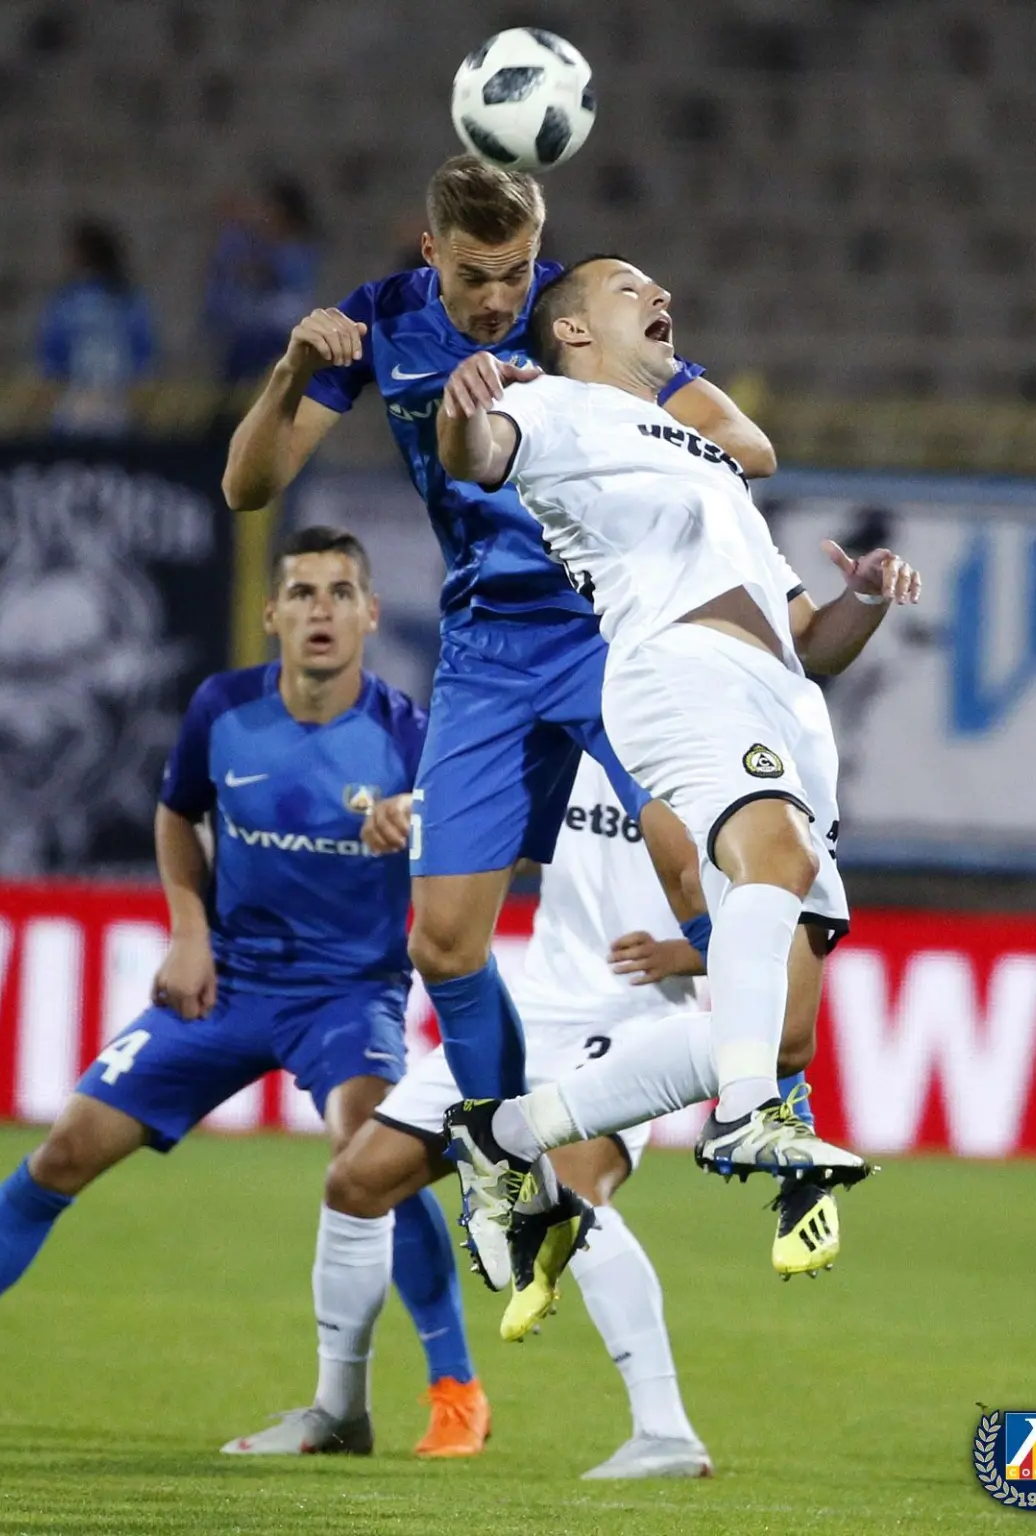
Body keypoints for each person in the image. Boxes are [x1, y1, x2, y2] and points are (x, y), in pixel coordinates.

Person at [221, 156, 821, 1288]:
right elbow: (247, 489)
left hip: (610, 635)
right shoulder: (378, 325)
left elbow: (745, 448)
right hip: (488, 651)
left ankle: (778, 1107)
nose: (501, 297)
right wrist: (292, 368)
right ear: (431, 253)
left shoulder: (574, 323)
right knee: (442, 942)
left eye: (517, 271)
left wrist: (606, 415)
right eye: (478, 275)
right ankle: (504, 1161)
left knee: (701, 860)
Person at [0, 527, 490, 1460]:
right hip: (231, 984)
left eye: (340, 593)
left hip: (346, 995)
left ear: (372, 614)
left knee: (373, 1157)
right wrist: (188, 933)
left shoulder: (410, 735)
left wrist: (421, 819)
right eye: (302, 593)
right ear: (271, 612)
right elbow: (177, 815)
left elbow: (490, 836)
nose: (321, 610)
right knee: (64, 1150)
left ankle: (454, 1390)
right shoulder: (224, 709)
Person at [436, 256, 920, 1331]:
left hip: (781, 700)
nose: (659, 298)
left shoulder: (702, 461)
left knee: (778, 1032)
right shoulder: (551, 407)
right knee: (774, 867)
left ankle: (504, 1137)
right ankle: (745, 1118)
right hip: (676, 671)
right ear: (571, 331)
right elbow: (477, 456)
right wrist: (460, 409)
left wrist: (860, 597)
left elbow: (807, 638)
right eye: (629, 290)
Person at [226, 755, 714, 1480]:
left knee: (571, 1194)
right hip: (526, 1012)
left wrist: (688, 951)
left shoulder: (701, 756)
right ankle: (338, 1414)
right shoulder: (572, 742)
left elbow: (780, 910)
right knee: (356, 1184)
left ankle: (666, 1432)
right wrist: (417, 815)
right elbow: (503, 834)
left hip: (635, 1019)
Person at [38, 219, 156, 435]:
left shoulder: (67, 303)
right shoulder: (129, 301)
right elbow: (144, 358)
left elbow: (51, 360)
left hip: (75, 406)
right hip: (118, 407)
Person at [203, 180, 321, 384]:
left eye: (270, 210)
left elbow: (269, 272)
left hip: (279, 340)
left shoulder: (296, 253)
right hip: (252, 340)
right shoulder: (257, 248)